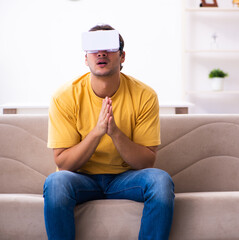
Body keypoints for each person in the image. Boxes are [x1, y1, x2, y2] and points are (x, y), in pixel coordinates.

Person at [43, 24, 175, 240]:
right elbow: (64, 164)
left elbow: (146, 163)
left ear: (122, 57)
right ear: (86, 58)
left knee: (160, 181)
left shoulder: (145, 95)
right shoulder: (64, 97)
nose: (101, 53)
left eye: (110, 48)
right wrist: (97, 132)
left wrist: (114, 132)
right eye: (94, 48)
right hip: (81, 179)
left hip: (126, 179)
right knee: (55, 183)